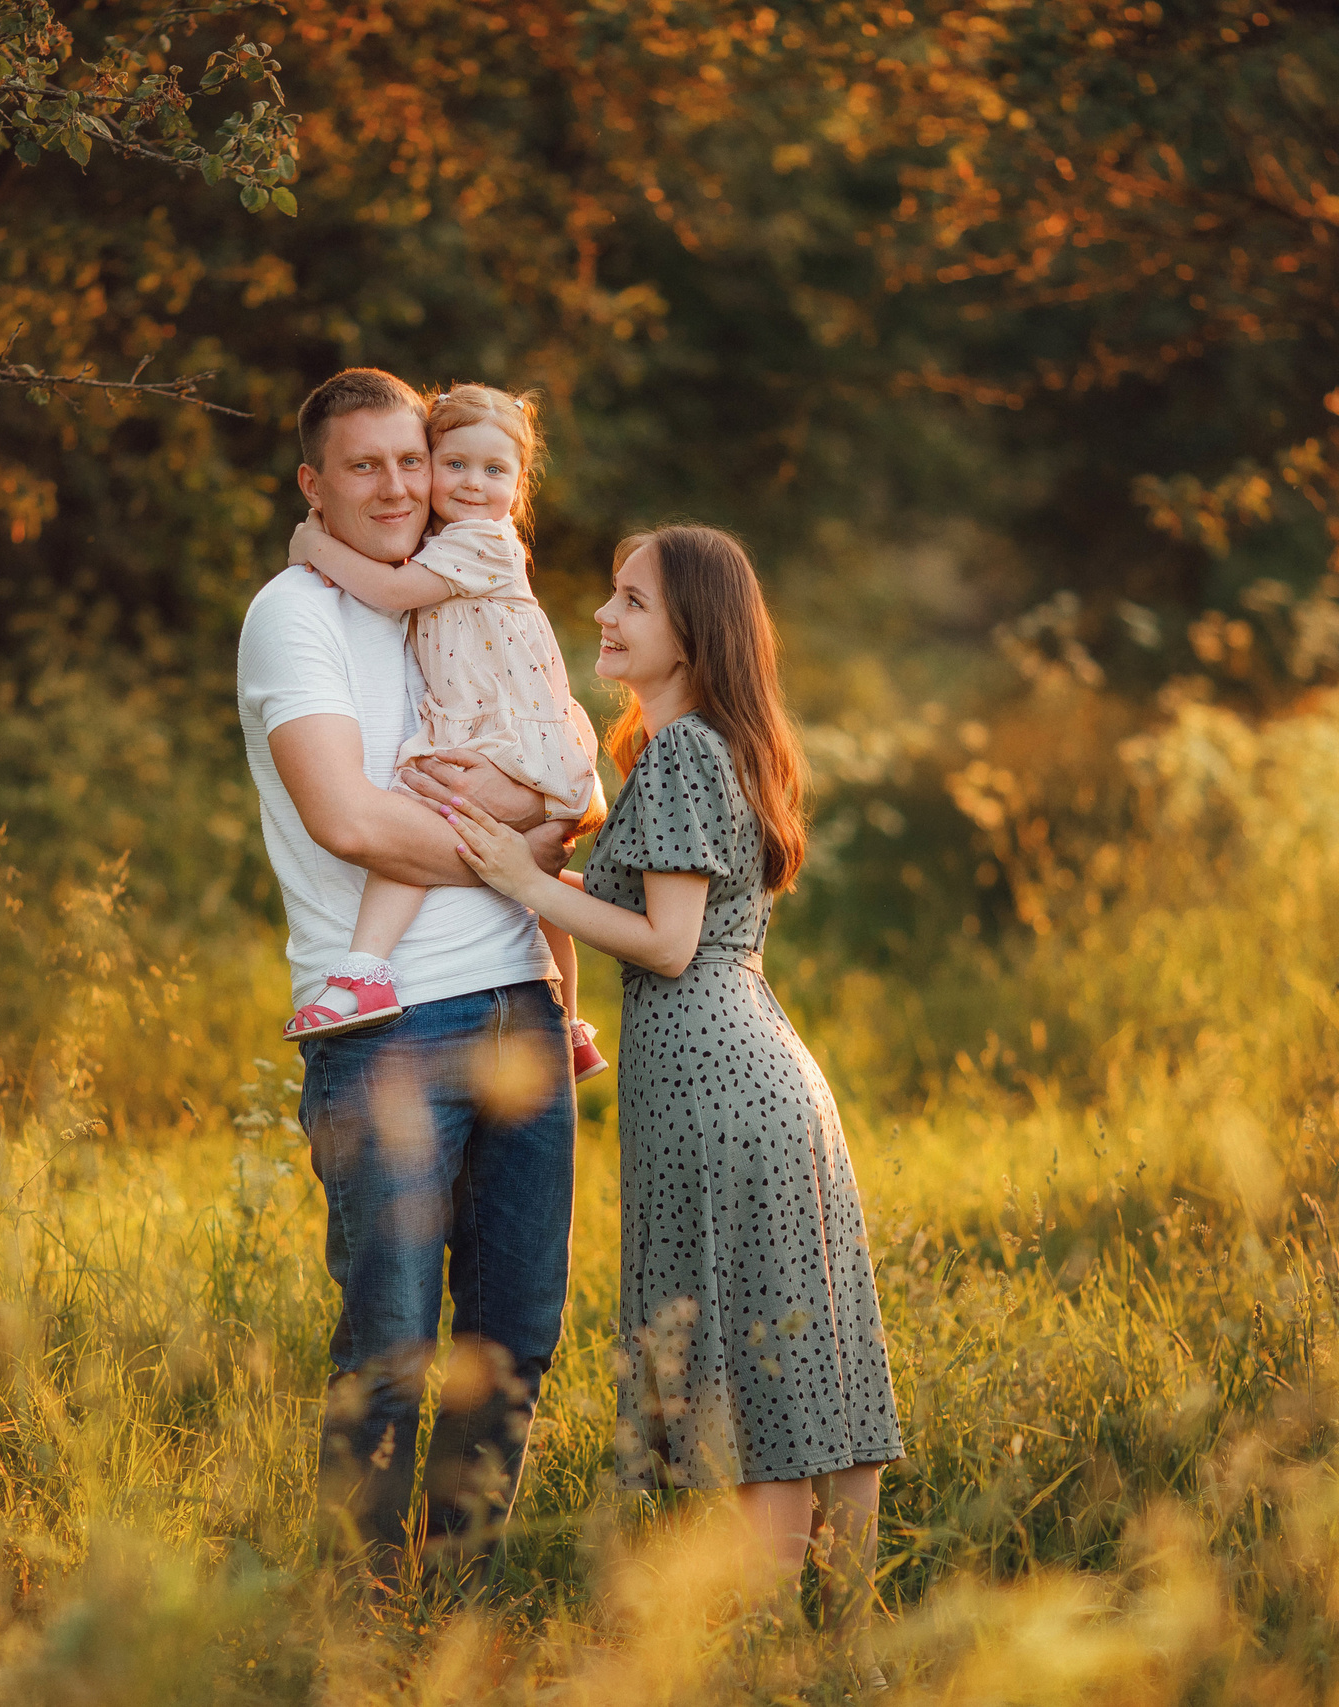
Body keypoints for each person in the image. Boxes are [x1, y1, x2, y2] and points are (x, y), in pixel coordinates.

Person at [445, 524, 905, 1634]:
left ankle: (767, 1652)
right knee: (808, 1362)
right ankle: (841, 1649)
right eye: (611, 594)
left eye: (631, 600)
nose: (605, 615)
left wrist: (518, 879)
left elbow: (665, 942)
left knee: (757, 1378)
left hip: (718, 1084)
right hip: (749, 1071)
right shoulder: (684, 746)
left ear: (693, 630)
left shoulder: (692, 750)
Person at [233, 367, 579, 1582]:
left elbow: (540, 767)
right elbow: (351, 822)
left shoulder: (448, 595)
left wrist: (536, 866)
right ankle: (357, 1613)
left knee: (516, 1335)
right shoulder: (298, 611)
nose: (396, 486)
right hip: (386, 1027)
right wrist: (527, 855)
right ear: (312, 485)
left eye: (409, 460)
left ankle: (459, 1593)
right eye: (364, 465)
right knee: (387, 1342)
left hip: (521, 1007)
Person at [278, 383, 610, 1087]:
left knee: (423, 802)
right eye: (453, 465)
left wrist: (311, 541)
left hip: (501, 730)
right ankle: (575, 1024)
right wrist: (525, 844)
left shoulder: (485, 544)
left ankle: (366, 965)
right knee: (539, 881)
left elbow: (392, 592)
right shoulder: (434, 551)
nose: (470, 484)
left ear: (520, 486)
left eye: (496, 472)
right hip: (507, 728)